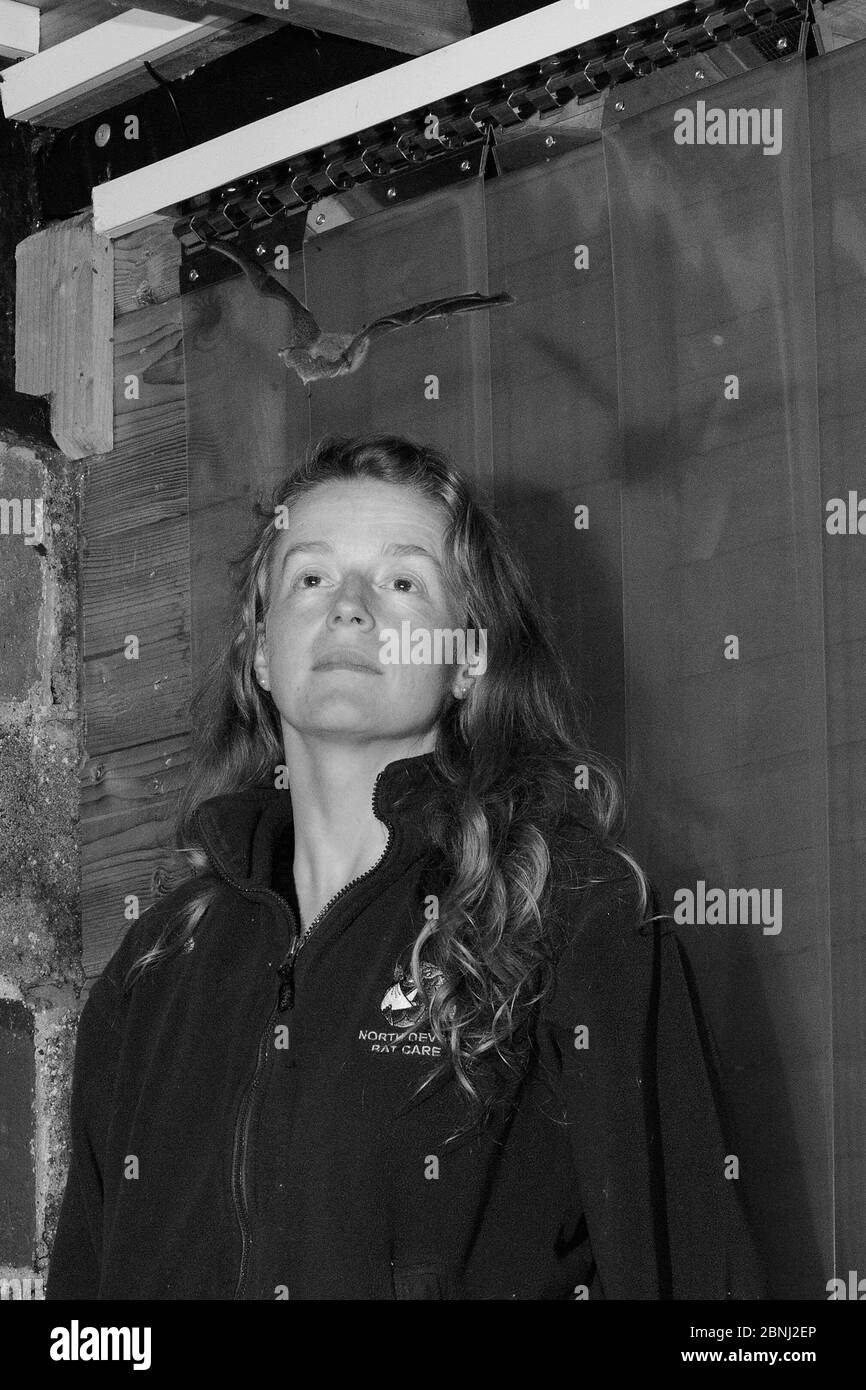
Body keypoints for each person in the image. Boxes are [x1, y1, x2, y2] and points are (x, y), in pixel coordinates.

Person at [47, 433, 764, 1301]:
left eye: (401, 582)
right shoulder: (157, 967)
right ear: (262, 652)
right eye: (309, 578)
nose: (349, 607)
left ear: (467, 658)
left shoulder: (576, 914)